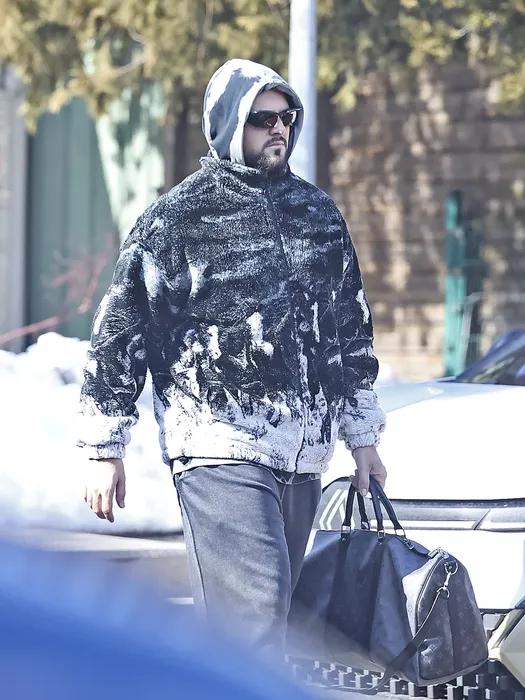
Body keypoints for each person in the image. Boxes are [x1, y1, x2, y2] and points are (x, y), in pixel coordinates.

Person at [79, 58, 387, 662]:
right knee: (254, 617)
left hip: (302, 452)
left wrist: (363, 438)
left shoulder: (318, 214)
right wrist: (102, 447)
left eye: (287, 117)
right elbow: (120, 332)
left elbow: (349, 332)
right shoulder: (178, 219)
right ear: (226, 124)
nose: (279, 129)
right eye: (262, 119)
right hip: (218, 444)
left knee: (264, 628)